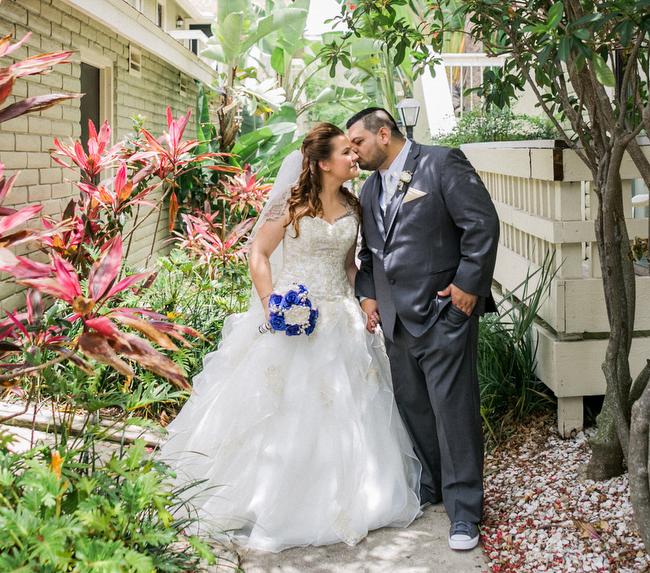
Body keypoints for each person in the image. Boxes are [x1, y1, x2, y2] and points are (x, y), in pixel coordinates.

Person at [160, 122, 422, 552]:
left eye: (353, 151)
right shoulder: (293, 205)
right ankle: (268, 498)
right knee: (284, 409)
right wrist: (271, 304)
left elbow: (350, 267)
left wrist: (366, 300)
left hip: (342, 319)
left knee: (350, 410)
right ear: (322, 163)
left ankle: (353, 496)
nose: (354, 157)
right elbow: (258, 253)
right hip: (294, 317)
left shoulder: (356, 206)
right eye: (345, 152)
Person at [346, 107, 500, 552]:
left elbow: (481, 224)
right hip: (395, 323)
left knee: (454, 414)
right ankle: (432, 487)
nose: (353, 152)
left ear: (382, 133)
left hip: (443, 316)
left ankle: (466, 512)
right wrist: (368, 295)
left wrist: (467, 289)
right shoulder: (370, 188)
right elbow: (373, 255)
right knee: (415, 410)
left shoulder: (441, 162)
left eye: (357, 143)